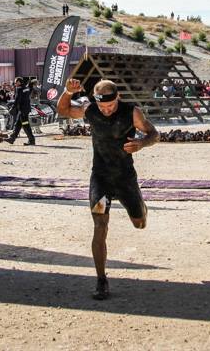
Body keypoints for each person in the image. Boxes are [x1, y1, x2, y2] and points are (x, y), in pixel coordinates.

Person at [56, 78, 159, 301]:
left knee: (139, 223)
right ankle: (101, 280)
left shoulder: (132, 112)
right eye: (102, 106)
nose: (106, 110)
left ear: (118, 97)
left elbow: (154, 133)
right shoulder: (91, 111)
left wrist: (142, 143)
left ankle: (141, 208)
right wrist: (67, 92)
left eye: (110, 105)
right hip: (101, 178)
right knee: (100, 225)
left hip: (125, 178)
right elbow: (63, 110)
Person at [7, 77, 35, 146]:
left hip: (22, 110)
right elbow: (30, 91)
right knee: (18, 124)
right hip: (25, 109)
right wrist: (31, 85)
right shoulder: (26, 88)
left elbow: (17, 99)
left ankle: (31, 140)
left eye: (16, 82)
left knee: (25, 125)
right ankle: (12, 138)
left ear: (19, 82)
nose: (15, 84)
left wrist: (13, 107)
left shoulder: (19, 89)